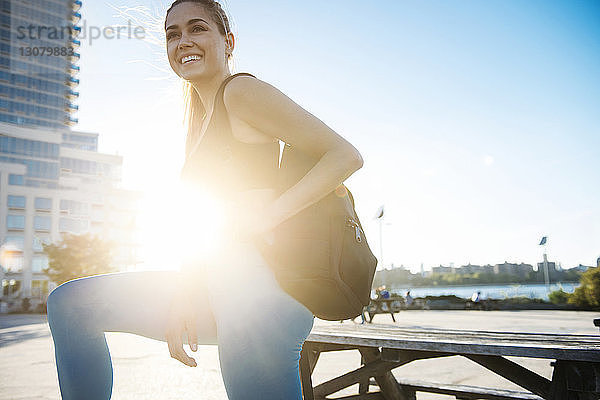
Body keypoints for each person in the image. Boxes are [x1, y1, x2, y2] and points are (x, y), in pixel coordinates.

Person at [46, 1, 365, 399]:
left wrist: (268, 217)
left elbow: (344, 154)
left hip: (260, 293)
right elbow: (199, 225)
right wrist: (184, 293)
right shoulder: (197, 118)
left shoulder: (242, 92)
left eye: (197, 29)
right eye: (172, 34)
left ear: (227, 42)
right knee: (71, 304)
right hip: (216, 283)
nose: (183, 41)